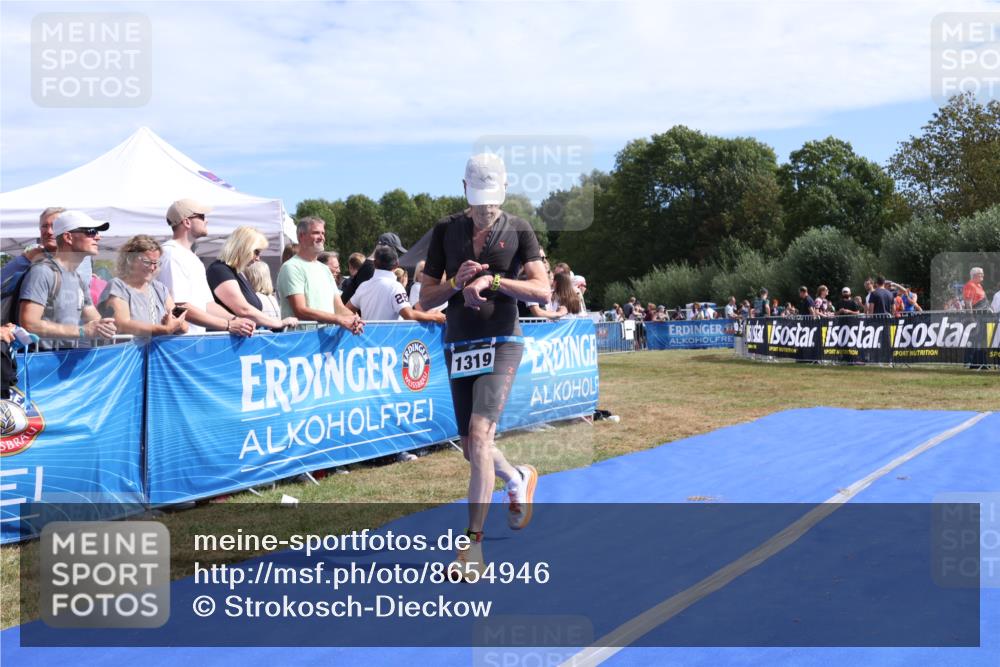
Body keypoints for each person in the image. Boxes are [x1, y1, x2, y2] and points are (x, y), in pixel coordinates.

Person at [418, 153, 549, 581]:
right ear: (464, 191)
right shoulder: (445, 231)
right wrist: (457, 283)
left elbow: (543, 291)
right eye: (477, 203)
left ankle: (471, 547)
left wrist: (492, 281)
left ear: (504, 192)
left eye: (491, 203)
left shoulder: (520, 230)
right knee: (471, 448)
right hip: (459, 341)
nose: (484, 212)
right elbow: (425, 299)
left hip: (502, 338)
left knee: (479, 435)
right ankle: (517, 477)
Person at [17, 210, 116, 349]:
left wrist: (105, 326)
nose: (98, 237)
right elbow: (29, 323)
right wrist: (82, 331)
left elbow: (94, 318)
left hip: (64, 363)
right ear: (68, 237)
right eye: (91, 231)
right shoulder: (42, 272)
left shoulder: (78, 278)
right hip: (42, 365)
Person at [159, 199, 255, 337]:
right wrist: (228, 325)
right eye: (202, 216)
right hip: (176, 344)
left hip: (193, 341)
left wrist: (236, 320)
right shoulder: (171, 254)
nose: (206, 221)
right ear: (187, 222)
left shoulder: (191, 258)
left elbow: (207, 305)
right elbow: (179, 306)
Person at [276, 217, 364, 334]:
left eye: (323, 233)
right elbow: (300, 310)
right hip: (301, 342)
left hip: (325, 341)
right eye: (316, 233)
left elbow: (338, 307)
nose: (322, 237)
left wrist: (354, 319)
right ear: (301, 236)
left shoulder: (324, 269)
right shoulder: (291, 267)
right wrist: (338, 319)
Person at [207, 226, 298, 331]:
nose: (258, 258)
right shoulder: (220, 270)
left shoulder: (236, 273)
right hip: (228, 343)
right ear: (244, 248)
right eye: (256, 252)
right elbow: (243, 309)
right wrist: (278, 323)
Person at [97, 235, 187, 337]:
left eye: (156, 263)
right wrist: (165, 329)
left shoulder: (160, 288)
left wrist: (178, 322)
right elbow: (122, 324)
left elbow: (183, 325)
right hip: (129, 352)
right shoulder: (118, 286)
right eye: (147, 262)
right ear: (130, 260)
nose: (152, 267)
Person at [347, 246, 445, 324]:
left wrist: (357, 320)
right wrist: (434, 316)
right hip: (389, 343)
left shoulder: (364, 286)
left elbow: (347, 309)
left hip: (367, 342)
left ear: (375, 263)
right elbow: (408, 315)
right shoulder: (395, 287)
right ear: (397, 264)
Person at [340, 233, 408, 304]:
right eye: (394, 250)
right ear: (384, 247)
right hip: (350, 313)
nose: (395, 254)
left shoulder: (370, 266)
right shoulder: (371, 269)